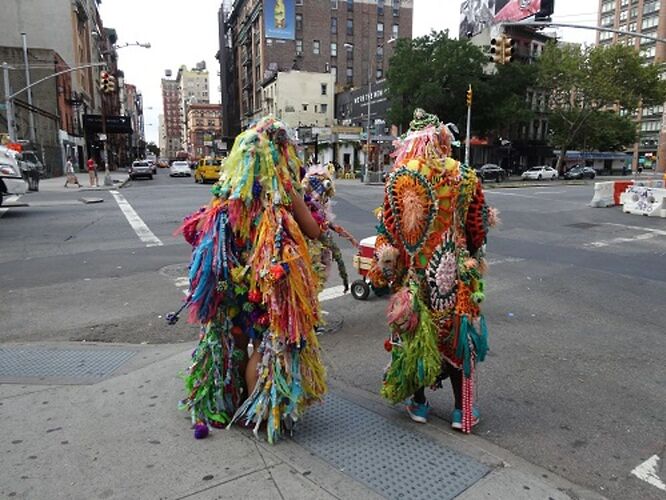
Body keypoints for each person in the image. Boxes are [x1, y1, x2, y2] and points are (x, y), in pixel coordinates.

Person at [172, 117, 326, 443]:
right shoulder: (282, 189)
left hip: (230, 283)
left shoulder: (228, 192)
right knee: (266, 347)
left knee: (237, 339)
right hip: (268, 284)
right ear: (279, 153)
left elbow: (203, 236)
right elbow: (314, 230)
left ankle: (232, 403)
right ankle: (258, 412)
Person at [369, 109, 498, 433]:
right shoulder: (464, 175)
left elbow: (387, 227)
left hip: (411, 276)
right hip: (452, 275)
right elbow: (477, 227)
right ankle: (461, 410)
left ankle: (420, 404)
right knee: (457, 339)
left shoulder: (397, 178)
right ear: (441, 140)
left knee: (414, 334)